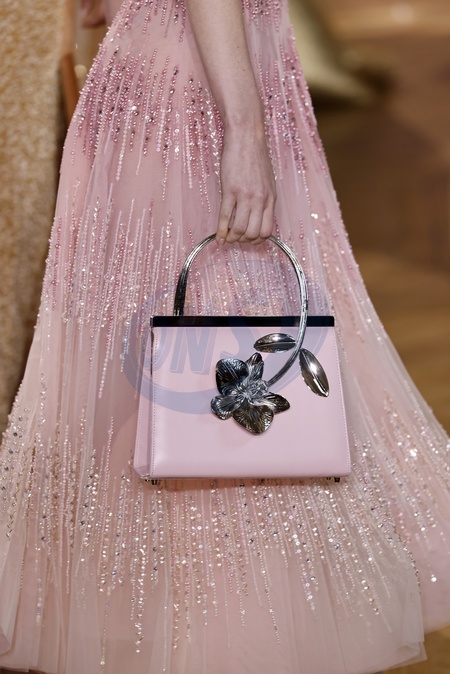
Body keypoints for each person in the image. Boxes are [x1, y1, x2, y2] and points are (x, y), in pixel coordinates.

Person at [0, 0, 449, 672]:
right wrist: (244, 129)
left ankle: (165, 622)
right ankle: (232, 633)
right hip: (203, 94)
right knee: (227, 349)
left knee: (177, 357)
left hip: (188, 69)